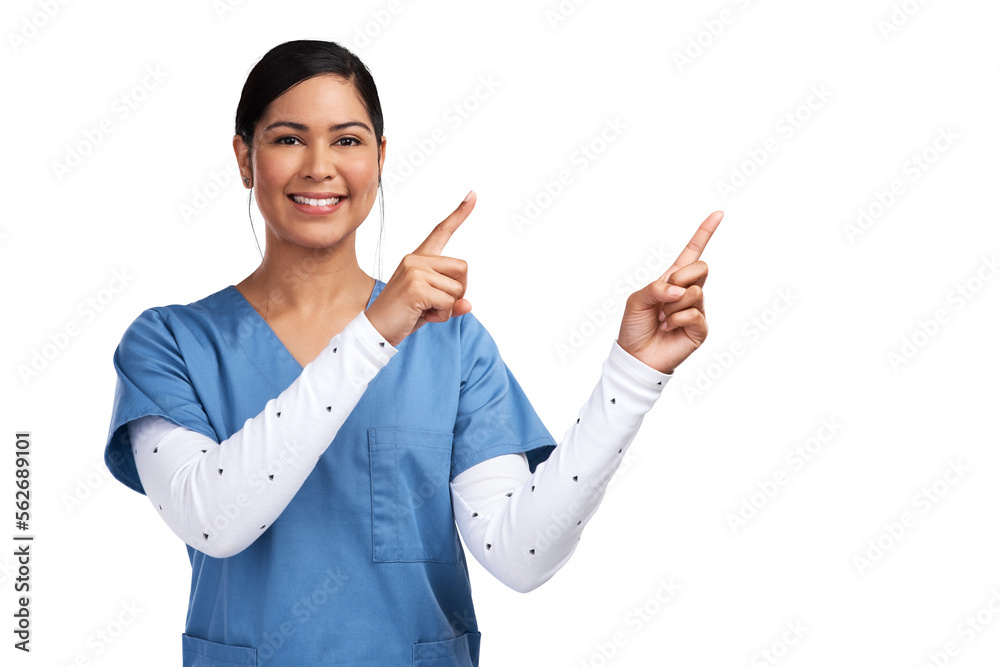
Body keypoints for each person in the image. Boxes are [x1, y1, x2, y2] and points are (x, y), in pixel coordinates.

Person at [103, 39, 721, 666]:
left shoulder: (449, 340)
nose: (319, 166)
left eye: (348, 140)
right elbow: (214, 519)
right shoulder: (168, 343)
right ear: (244, 157)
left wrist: (634, 374)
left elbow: (520, 555)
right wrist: (374, 334)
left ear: (380, 157)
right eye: (288, 138)